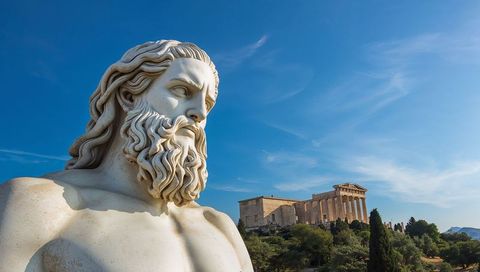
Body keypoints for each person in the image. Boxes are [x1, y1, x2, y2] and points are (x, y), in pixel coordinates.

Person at [0, 40, 253, 272]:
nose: (199, 113)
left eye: (207, 104)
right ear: (128, 96)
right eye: (182, 91)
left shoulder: (219, 226)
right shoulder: (39, 206)